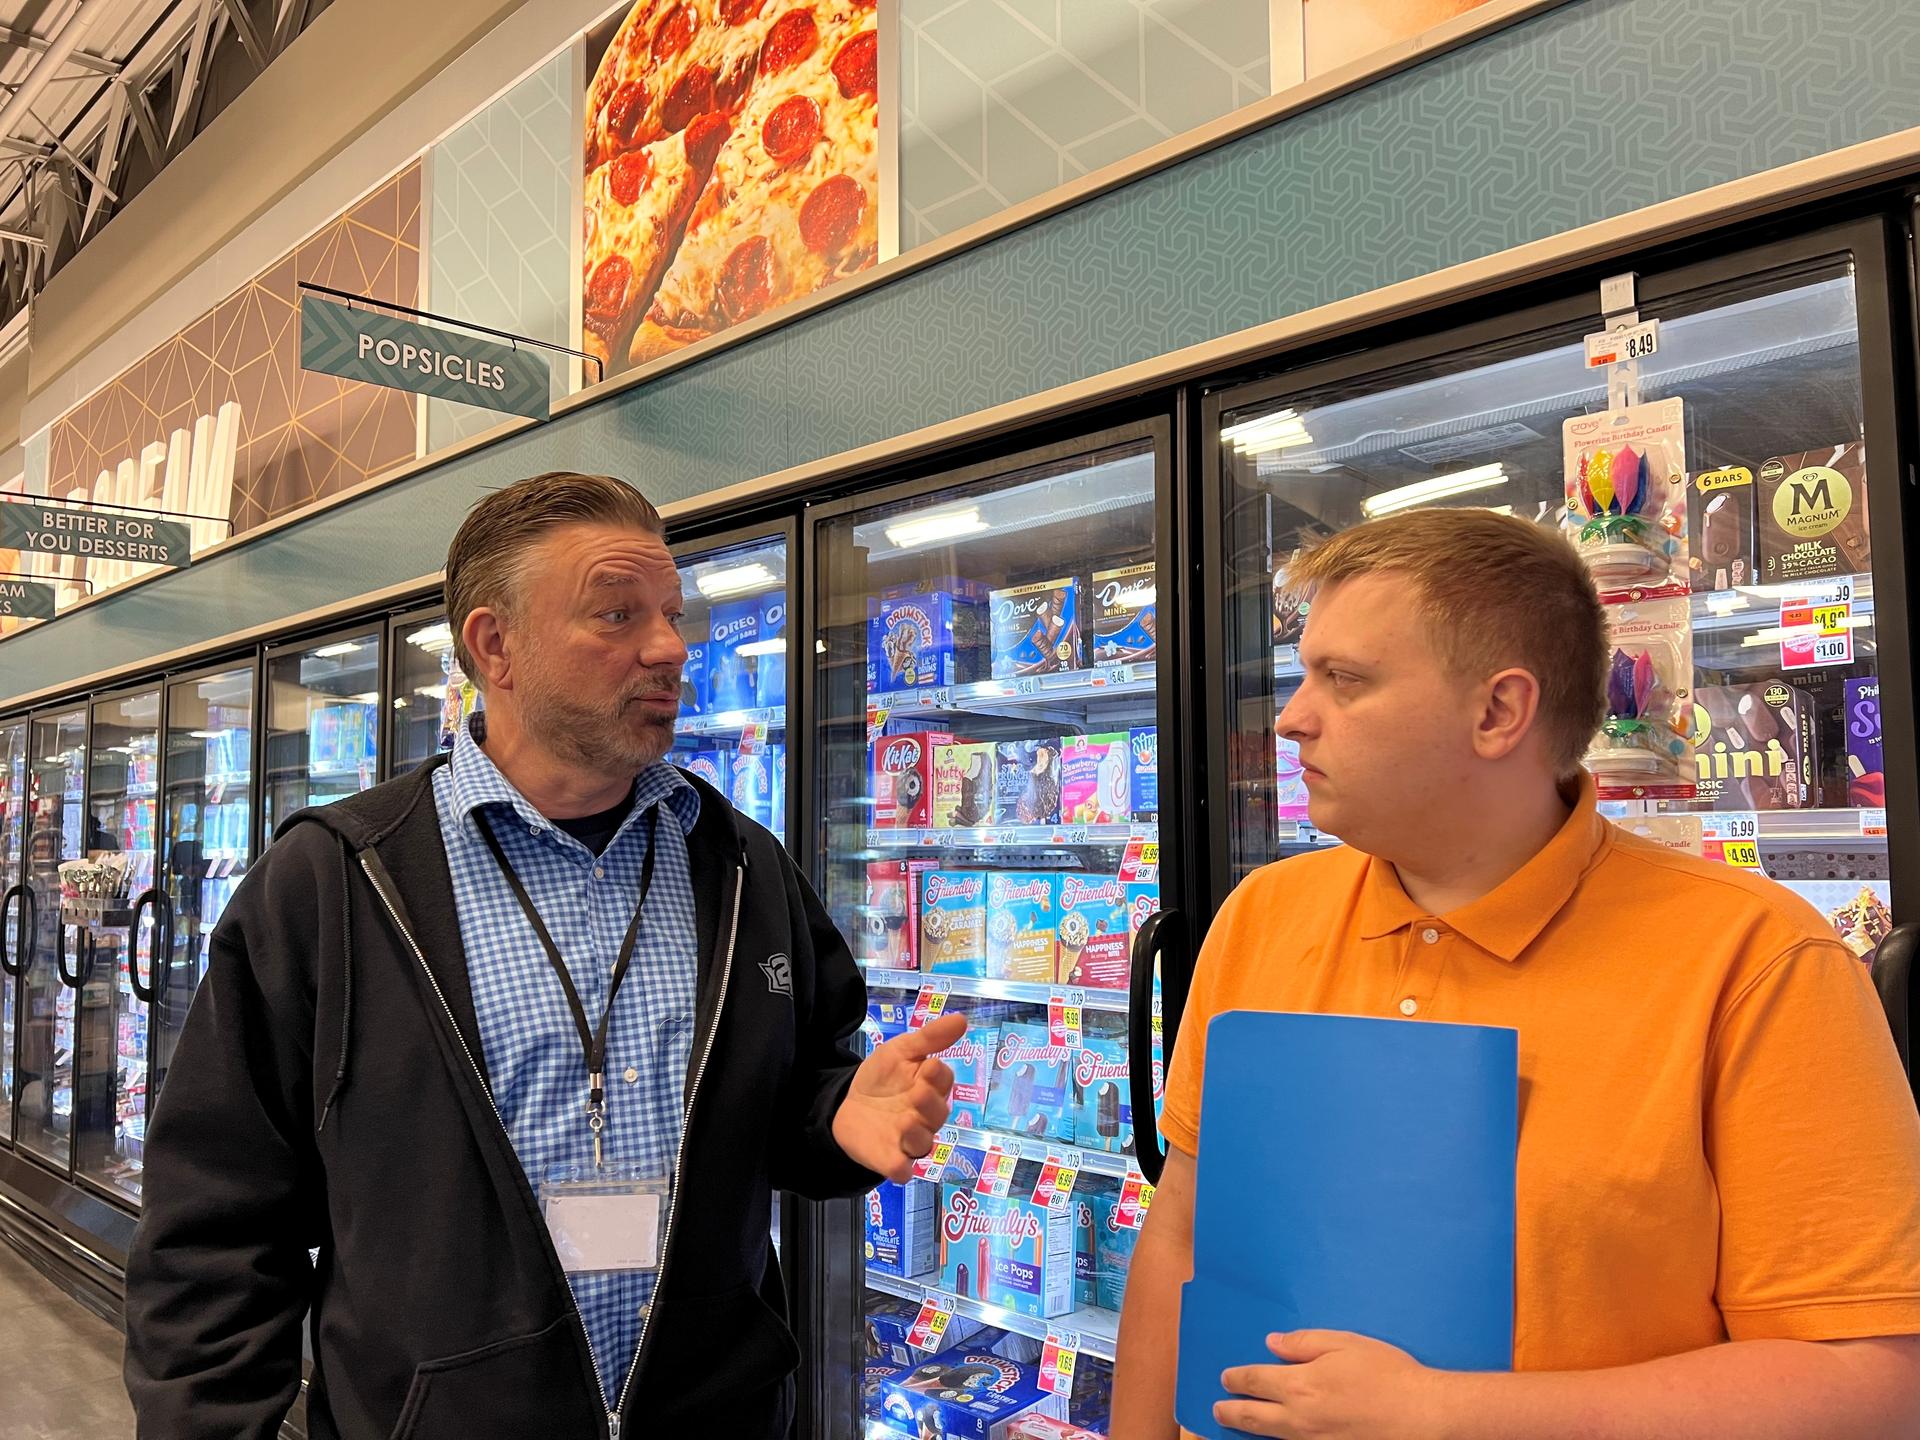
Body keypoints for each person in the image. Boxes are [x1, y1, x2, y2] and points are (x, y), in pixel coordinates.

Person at [125, 472, 964, 1438]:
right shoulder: (336, 881)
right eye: (616, 615)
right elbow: (216, 1228)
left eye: (671, 614)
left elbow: (794, 1098)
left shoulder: (741, 864)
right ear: (495, 646)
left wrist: (836, 1119)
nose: (668, 648)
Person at [1112, 509, 1920, 1439]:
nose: (1293, 718)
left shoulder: (1756, 960)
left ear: (1498, 712)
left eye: (1344, 680)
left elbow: (1869, 1383)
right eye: (1305, 675)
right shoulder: (1262, 917)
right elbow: (1183, 1229)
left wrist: (1449, 1413)